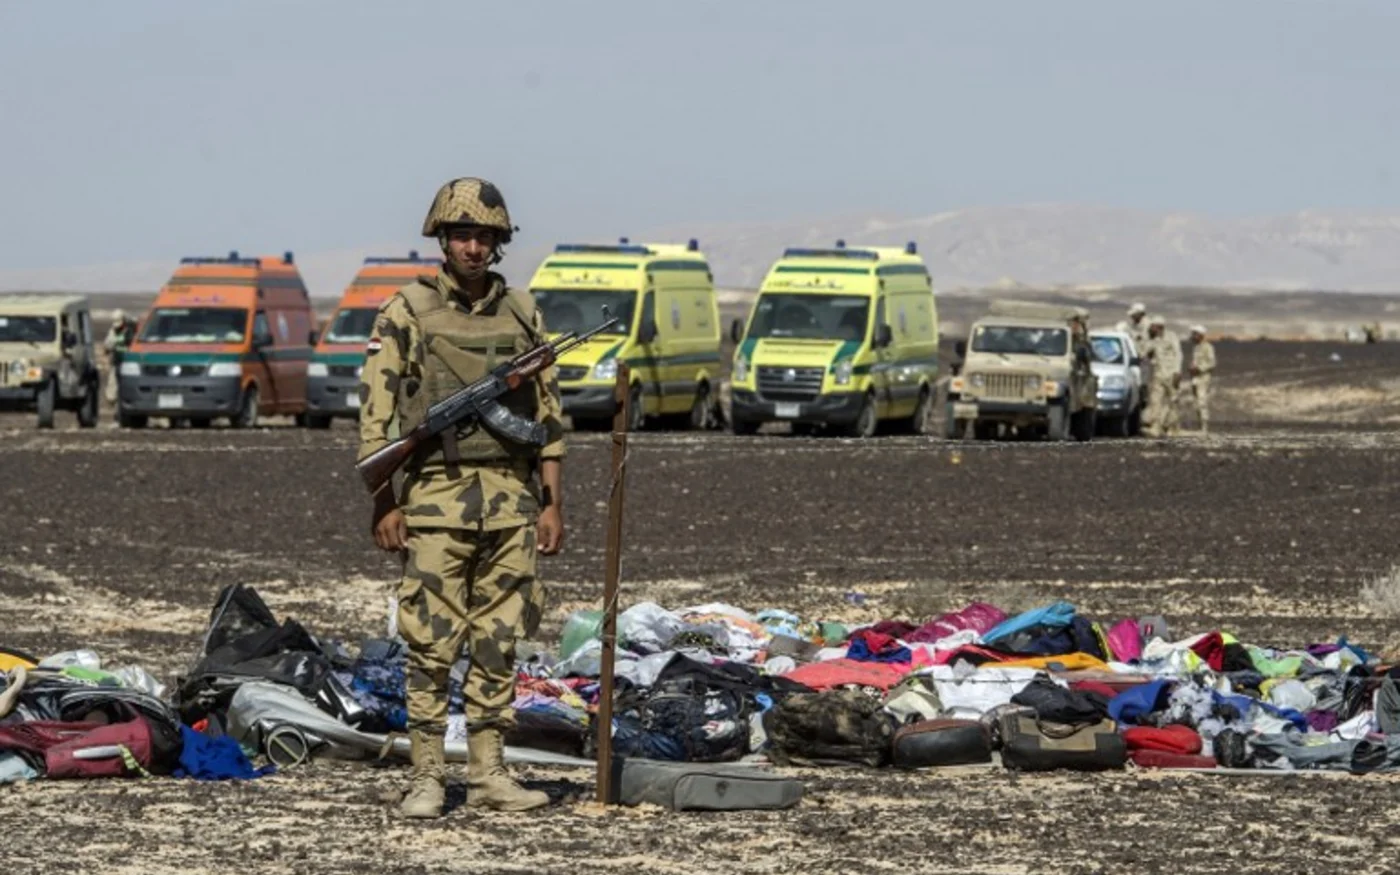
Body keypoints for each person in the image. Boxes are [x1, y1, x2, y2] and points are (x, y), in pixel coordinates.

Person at [356, 177, 567, 818]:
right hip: (435, 503)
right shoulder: (407, 312)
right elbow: (377, 416)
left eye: (484, 236)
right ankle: (426, 777)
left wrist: (553, 504)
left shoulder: (525, 313)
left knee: (500, 638)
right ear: (442, 240)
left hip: (510, 502)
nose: (473, 247)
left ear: (499, 243)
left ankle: (488, 773)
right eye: (462, 235)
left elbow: (549, 420)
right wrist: (384, 502)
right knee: (430, 642)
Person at [1141, 315, 1182, 437]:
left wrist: (1177, 371)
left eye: (1152, 326)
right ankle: (1156, 427)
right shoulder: (1153, 340)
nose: (1150, 328)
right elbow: (1143, 354)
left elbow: (1178, 354)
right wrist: (1147, 339)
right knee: (1156, 401)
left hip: (1171, 374)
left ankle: (1172, 427)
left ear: (1159, 327)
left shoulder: (1171, 337)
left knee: (1173, 402)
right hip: (1158, 375)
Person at [102, 310, 136, 406]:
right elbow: (108, 344)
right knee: (113, 384)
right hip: (117, 361)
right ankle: (112, 401)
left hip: (129, 363)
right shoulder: (113, 331)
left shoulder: (131, 330)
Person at [1187, 324, 1216, 434]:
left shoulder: (1208, 347)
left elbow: (1212, 363)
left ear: (1200, 335)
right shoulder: (1196, 347)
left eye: (1195, 334)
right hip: (1195, 378)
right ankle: (1200, 425)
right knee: (1196, 403)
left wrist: (1199, 368)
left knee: (1202, 402)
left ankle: (1204, 427)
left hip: (1203, 378)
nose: (1193, 336)